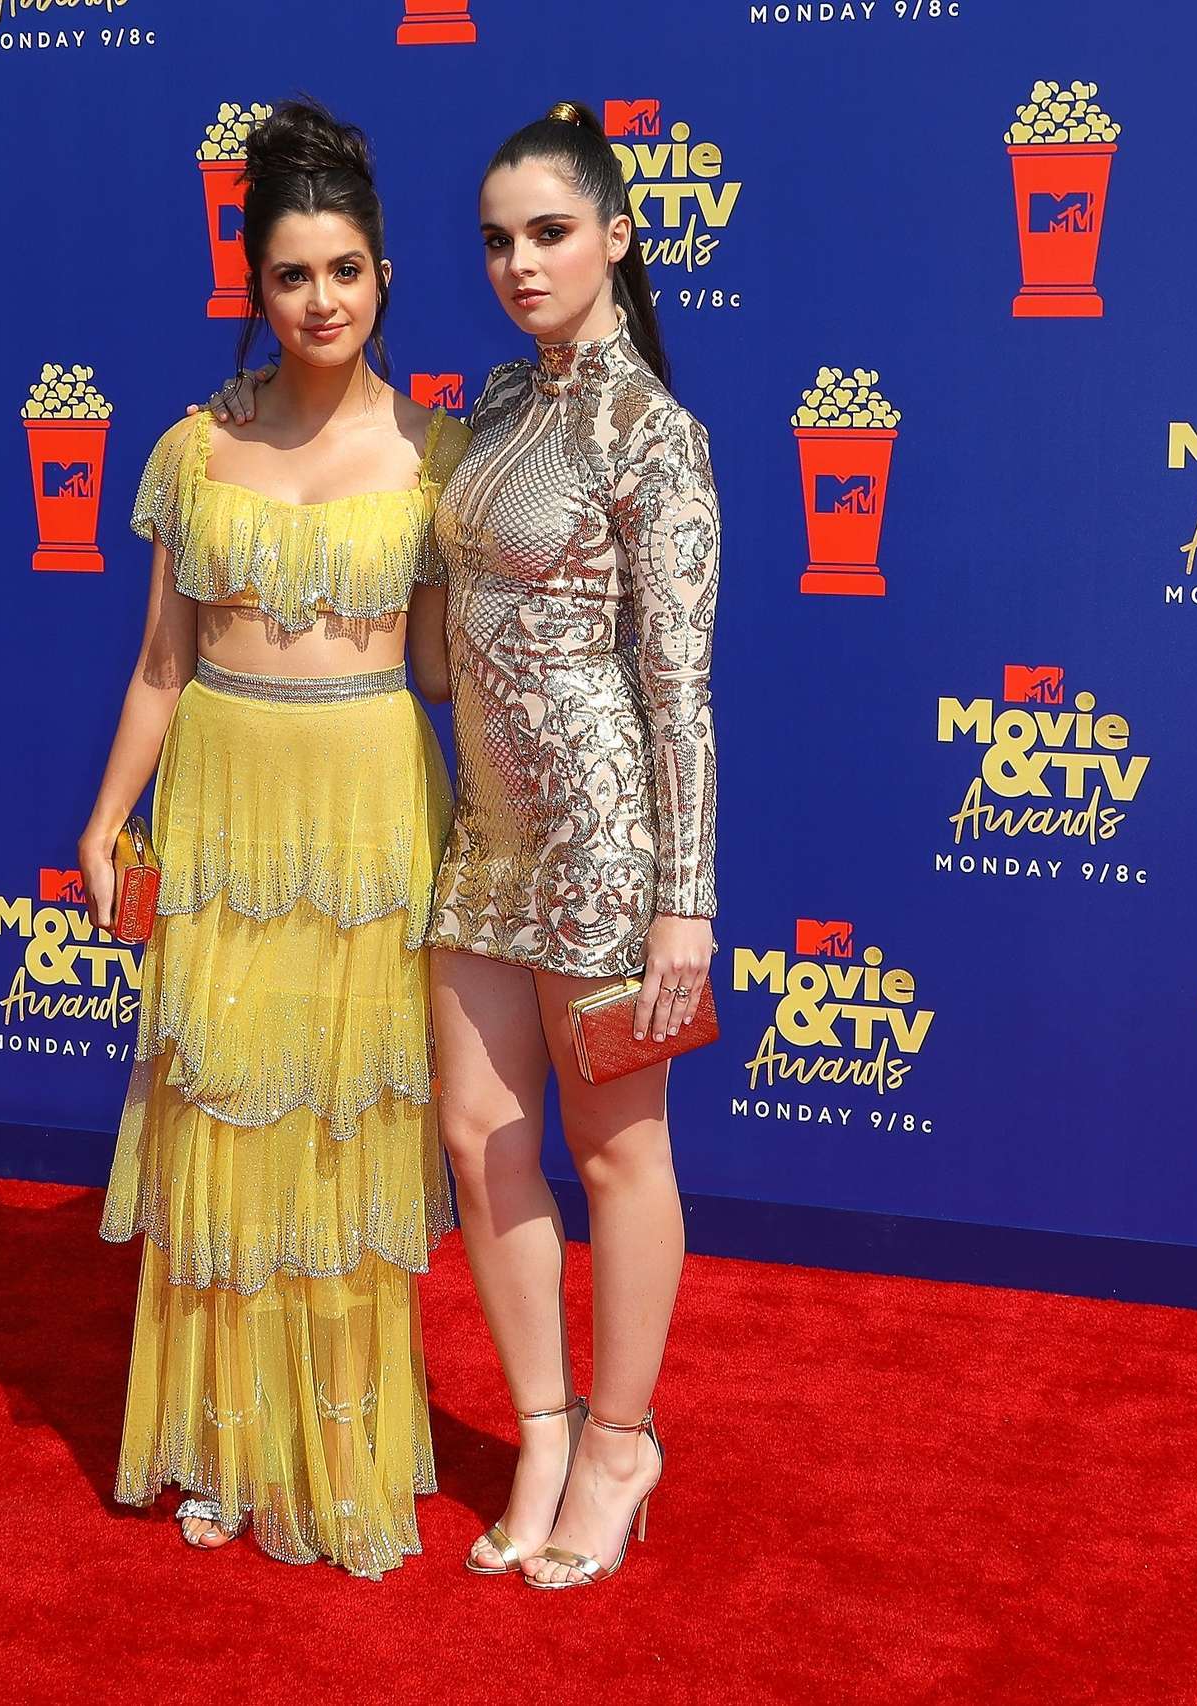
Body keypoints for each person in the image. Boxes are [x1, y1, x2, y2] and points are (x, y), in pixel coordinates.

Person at [78, 96, 467, 1579]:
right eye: (293, 273)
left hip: (370, 812)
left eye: (346, 270)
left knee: (345, 1134)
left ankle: (344, 1445)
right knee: (227, 1122)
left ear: (384, 276)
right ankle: (228, 1441)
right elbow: (159, 664)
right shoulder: (194, 449)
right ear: (252, 283)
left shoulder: (435, 453)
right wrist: (107, 820)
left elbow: (439, 671)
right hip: (227, 805)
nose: (322, 300)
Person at [430, 100, 718, 1590]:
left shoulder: (654, 435)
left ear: (616, 234)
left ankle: (620, 1443)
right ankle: (539, 1432)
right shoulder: (495, 405)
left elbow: (681, 692)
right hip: (485, 832)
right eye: (497, 241)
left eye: (549, 233)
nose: (520, 264)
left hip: (608, 845)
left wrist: (685, 904)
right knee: (478, 1141)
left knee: (617, 1153)